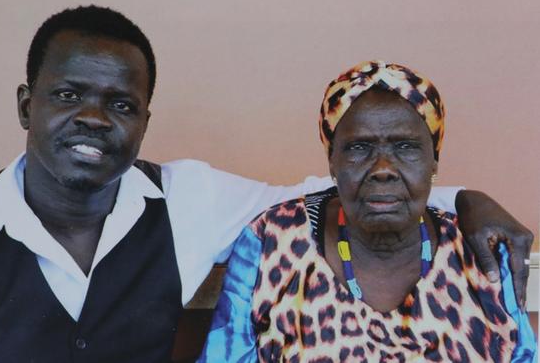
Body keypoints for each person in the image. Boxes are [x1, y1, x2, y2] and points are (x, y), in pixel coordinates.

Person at [0, 6, 533, 363]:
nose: (93, 118)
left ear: (145, 120)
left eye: (120, 104)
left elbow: (349, 185)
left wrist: (467, 200)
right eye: (68, 95)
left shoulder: (187, 201)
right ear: (27, 106)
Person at [198, 61, 536, 362]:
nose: (383, 168)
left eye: (406, 147)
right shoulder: (270, 240)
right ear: (332, 162)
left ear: (434, 160)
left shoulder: (482, 255)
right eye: (360, 147)